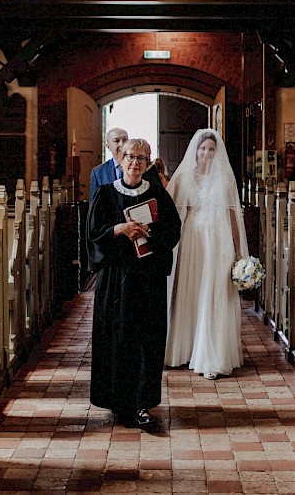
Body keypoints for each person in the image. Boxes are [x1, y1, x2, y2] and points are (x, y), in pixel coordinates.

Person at [88, 138, 181, 427]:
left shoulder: (157, 194)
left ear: (148, 162)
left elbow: (173, 231)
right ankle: (118, 401)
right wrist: (119, 229)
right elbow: (93, 234)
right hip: (115, 280)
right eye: (130, 156)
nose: (135, 163)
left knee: (145, 340)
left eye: (141, 158)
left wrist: (148, 233)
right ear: (120, 157)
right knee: (117, 337)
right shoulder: (105, 193)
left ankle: (142, 403)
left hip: (146, 279)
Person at [165, 128, 248, 380]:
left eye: (211, 149)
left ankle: (212, 355)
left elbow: (234, 215)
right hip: (192, 239)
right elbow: (172, 208)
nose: (206, 153)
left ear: (217, 152)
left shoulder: (225, 180)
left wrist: (239, 249)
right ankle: (186, 349)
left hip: (218, 238)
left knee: (214, 292)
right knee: (192, 289)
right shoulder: (184, 178)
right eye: (203, 148)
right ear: (195, 150)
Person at [90, 128, 129, 202]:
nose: (121, 144)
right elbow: (94, 204)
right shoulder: (98, 172)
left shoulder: (140, 167)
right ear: (108, 146)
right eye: (116, 141)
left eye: (125, 140)